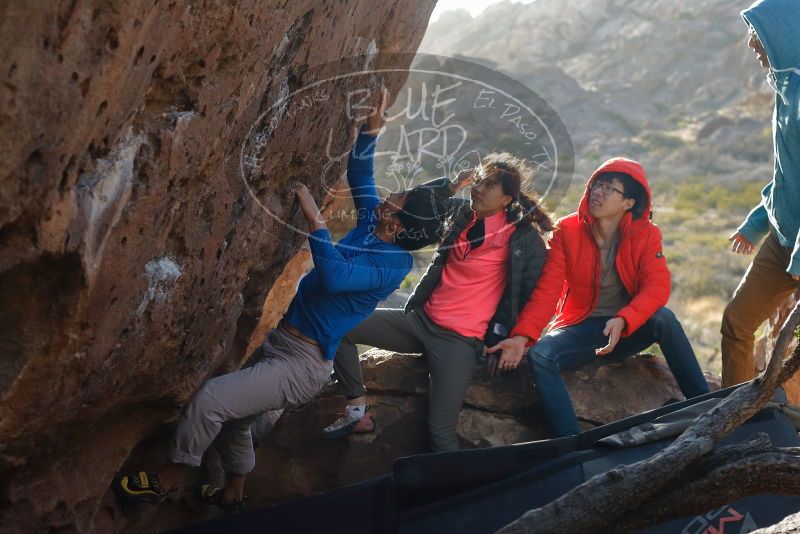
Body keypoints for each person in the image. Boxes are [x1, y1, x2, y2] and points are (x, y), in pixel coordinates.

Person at [111, 90, 450, 512]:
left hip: (302, 364)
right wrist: (373, 127)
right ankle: (234, 494)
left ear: (400, 225)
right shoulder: (371, 224)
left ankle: (165, 479)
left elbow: (337, 276)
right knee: (236, 425)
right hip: (283, 344)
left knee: (213, 400)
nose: (387, 199)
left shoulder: (395, 262)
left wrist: (317, 223)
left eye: (396, 202)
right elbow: (360, 174)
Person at [322, 153, 552, 452]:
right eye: (479, 181)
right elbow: (417, 205)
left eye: (489, 185)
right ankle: (356, 411)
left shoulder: (522, 238)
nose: (479, 189)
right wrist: (451, 186)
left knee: (440, 433)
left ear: (507, 198)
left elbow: (531, 293)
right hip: (419, 321)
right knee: (339, 326)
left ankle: (451, 495)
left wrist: (515, 339)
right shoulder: (461, 214)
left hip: (458, 341)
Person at [487, 158, 710, 438]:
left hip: (626, 330)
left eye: (608, 188)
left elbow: (657, 287)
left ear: (628, 202)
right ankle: (571, 444)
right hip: (583, 329)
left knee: (663, 319)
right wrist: (522, 337)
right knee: (542, 356)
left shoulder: (646, 234)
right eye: (596, 185)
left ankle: (706, 407)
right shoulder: (567, 231)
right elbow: (548, 290)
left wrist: (625, 318)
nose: (597, 192)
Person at [721, 0, 800, 387]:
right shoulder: (787, 91)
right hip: (786, 240)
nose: (754, 47)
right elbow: (788, 174)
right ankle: (732, 422)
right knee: (738, 321)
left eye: (759, 38)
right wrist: (757, 221)